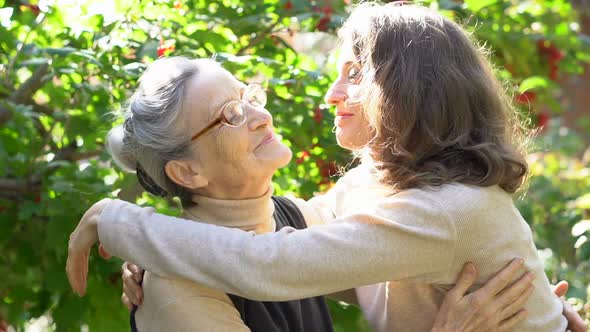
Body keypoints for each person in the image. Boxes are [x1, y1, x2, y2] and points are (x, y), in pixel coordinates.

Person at [67, 3, 588, 332]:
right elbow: (267, 243)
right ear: (185, 173)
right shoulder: (374, 190)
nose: (332, 94)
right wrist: (153, 251)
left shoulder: (448, 209)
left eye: (354, 75)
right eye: (230, 113)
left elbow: (265, 260)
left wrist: (121, 224)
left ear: (409, 92)